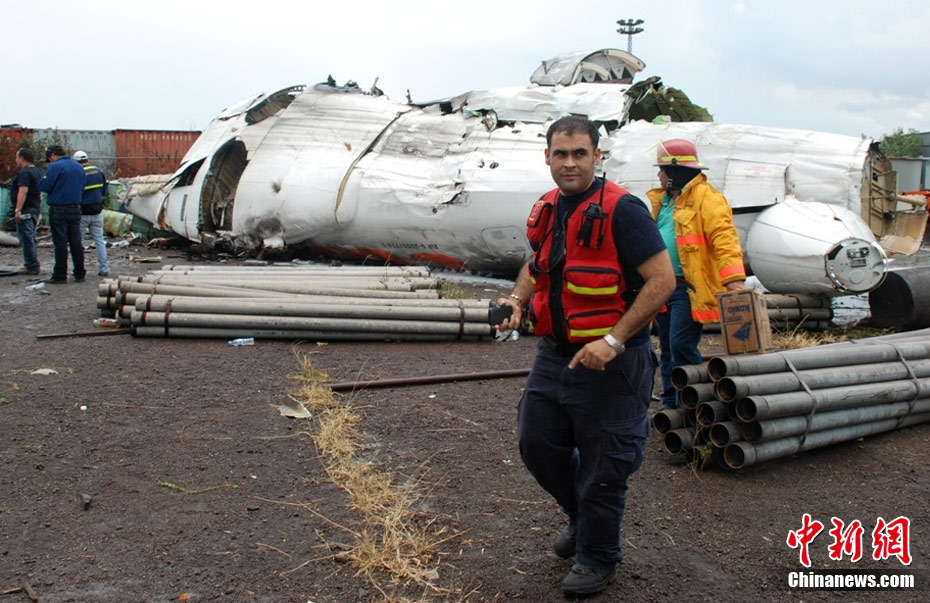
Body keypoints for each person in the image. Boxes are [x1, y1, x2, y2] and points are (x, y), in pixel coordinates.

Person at [494, 116, 675, 596]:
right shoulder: (549, 207)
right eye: (561, 153)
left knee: (605, 464)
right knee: (537, 442)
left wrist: (613, 340)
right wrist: (516, 300)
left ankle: (598, 556)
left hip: (615, 362)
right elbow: (536, 266)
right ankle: (582, 518)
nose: (569, 162)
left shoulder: (623, 210)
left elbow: (663, 281)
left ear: (597, 156)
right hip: (556, 355)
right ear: (547, 157)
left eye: (579, 153)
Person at [645, 139, 747, 410]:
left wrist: (734, 281)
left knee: (681, 345)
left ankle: (692, 404)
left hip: (688, 288)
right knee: (667, 347)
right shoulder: (663, 201)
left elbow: (724, 239)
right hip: (663, 287)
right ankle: (672, 404)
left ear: (675, 171)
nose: (659, 175)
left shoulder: (707, 198)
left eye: (662, 169)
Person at [38, 145, 86, 284]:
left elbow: (44, 186)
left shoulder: (55, 167)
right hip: (75, 208)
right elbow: (82, 187)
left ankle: (60, 275)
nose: (50, 160)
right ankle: (79, 273)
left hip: (59, 208)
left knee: (60, 243)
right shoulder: (78, 167)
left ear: (52, 155)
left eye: (49, 158)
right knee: (76, 242)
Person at [73, 151, 110, 276]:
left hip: (82, 212)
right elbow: (104, 190)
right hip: (97, 211)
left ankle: (78, 269)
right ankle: (104, 268)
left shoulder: (78, 174)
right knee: (99, 240)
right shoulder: (98, 171)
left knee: (78, 242)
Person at [11, 148, 43, 275]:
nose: (16, 160)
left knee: (26, 237)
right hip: (35, 207)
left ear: (22, 158)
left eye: (17, 157)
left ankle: (31, 265)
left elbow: (23, 191)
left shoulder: (25, 173)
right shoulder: (37, 171)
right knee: (31, 236)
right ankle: (32, 264)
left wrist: (18, 209)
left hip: (26, 209)